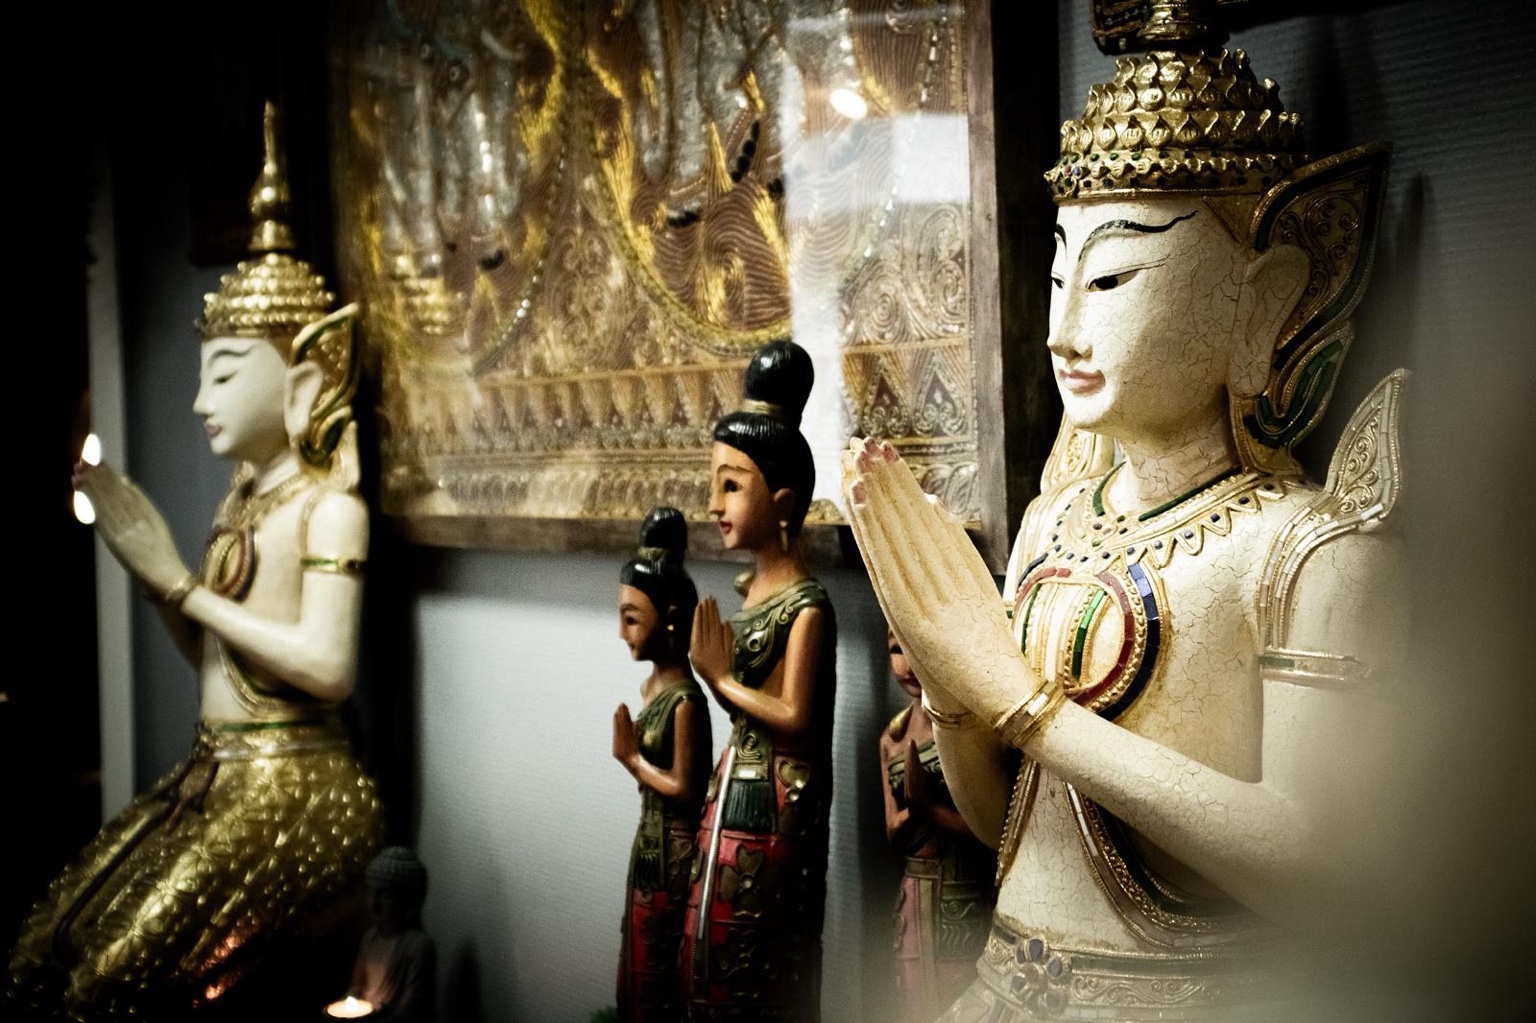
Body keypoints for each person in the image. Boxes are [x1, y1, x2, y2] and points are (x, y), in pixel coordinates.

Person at [842, 20, 1405, 1021]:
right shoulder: (1053, 520)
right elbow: (996, 825)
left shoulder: (1307, 549)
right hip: (1003, 985)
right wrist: (953, 687)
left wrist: (1027, 708)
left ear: (1262, 301)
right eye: (1058, 275)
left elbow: (1322, 867)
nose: (1063, 327)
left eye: (1108, 280)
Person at [8, 104, 384, 1020]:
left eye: (222, 373)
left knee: (108, 983)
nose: (198, 401)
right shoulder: (241, 502)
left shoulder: (330, 510)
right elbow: (222, 665)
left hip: (303, 788)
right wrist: (153, 575)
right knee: (40, 951)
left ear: (300, 378)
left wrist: (182, 584)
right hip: (214, 770)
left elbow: (328, 671)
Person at [681, 340, 837, 1021]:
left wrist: (720, 680)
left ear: (782, 499)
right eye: (715, 481)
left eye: (731, 485)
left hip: (780, 797)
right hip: (735, 785)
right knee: (706, 943)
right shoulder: (751, 592)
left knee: (757, 950)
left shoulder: (806, 604)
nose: (714, 502)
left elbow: (797, 715)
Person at [610, 507, 712, 1022]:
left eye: (632, 618)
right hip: (648, 844)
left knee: (660, 959)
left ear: (670, 619)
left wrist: (632, 760)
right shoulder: (657, 693)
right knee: (637, 955)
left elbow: (687, 788)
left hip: (673, 850)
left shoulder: (685, 701)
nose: (622, 631)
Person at [878, 631, 995, 1023]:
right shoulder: (891, 741)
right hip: (914, 891)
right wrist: (915, 810)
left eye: (919, 652)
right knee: (912, 996)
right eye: (897, 650)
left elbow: (989, 832)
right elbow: (892, 831)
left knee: (959, 995)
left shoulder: (964, 733)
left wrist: (928, 807)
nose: (908, 666)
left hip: (962, 895)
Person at [337, 847, 436, 1023]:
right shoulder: (370, 938)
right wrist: (350, 1000)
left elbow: (414, 1010)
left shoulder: (418, 946)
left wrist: (381, 1015)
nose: (374, 903)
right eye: (370, 892)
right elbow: (356, 986)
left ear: (409, 899)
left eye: (386, 895)